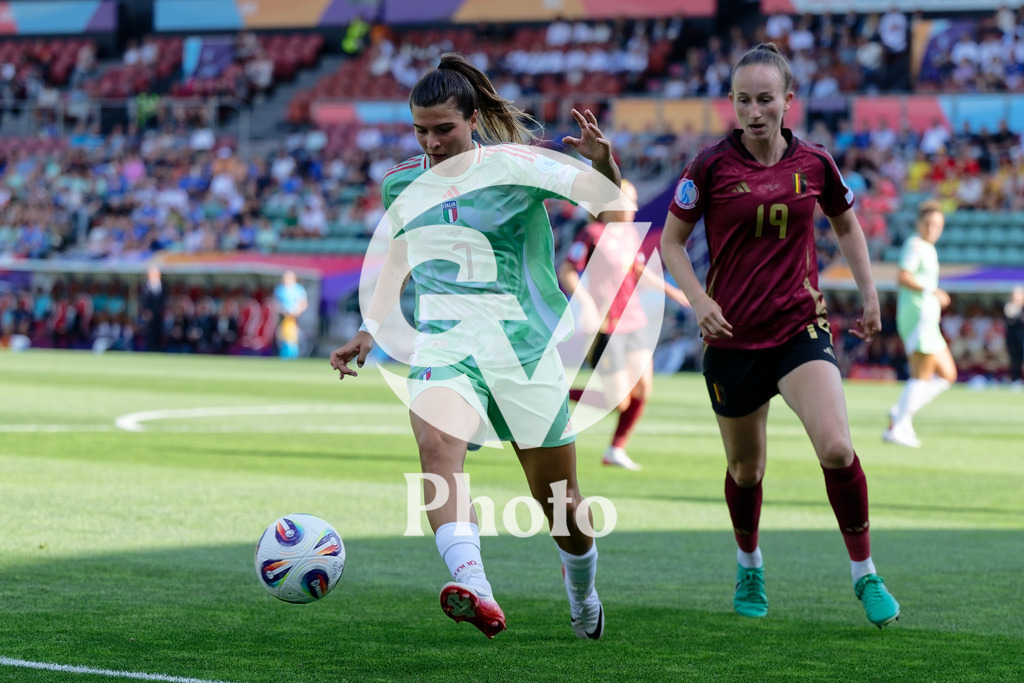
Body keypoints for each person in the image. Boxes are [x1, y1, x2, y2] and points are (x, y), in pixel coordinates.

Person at [329, 53, 622, 639]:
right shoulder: (400, 183)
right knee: (435, 444)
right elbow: (401, 255)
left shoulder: (517, 168)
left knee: (562, 509)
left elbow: (612, 208)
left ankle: (582, 585)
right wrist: (371, 327)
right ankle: (475, 587)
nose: (433, 142)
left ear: (472, 122)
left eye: (445, 129)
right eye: (421, 131)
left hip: (523, 349)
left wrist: (603, 164)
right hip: (444, 345)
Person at [659, 43, 900, 628]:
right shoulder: (710, 166)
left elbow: (846, 223)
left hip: (798, 328)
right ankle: (749, 563)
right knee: (748, 470)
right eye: (743, 100)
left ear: (788, 101)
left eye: (765, 99)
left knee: (837, 448)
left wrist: (868, 291)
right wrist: (700, 300)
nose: (754, 110)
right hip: (732, 339)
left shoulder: (815, 163)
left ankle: (864, 573)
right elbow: (670, 244)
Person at [557, 178, 689, 470]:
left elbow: (637, 269)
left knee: (642, 389)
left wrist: (673, 291)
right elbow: (567, 270)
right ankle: (558, 395)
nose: (635, 207)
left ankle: (616, 450)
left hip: (635, 322)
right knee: (618, 400)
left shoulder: (630, 234)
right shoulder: (592, 233)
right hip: (607, 325)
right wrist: (587, 302)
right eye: (629, 200)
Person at [885, 201, 957, 446]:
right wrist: (932, 290)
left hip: (928, 320)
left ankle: (901, 412)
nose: (933, 229)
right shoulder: (915, 245)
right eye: (929, 224)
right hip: (917, 317)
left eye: (937, 225)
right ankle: (897, 427)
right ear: (919, 223)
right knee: (921, 375)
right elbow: (903, 276)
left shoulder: (928, 248)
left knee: (948, 374)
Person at [274, 270, 308, 359]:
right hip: (283, 317)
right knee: (283, 337)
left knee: (293, 337)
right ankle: (283, 356)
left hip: (295, 318)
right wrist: (282, 311)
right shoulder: (280, 289)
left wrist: (296, 312)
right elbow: (276, 303)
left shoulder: (298, 289)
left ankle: (293, 356)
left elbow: (303, 303)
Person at [141, 265, 166, 353]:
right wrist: (147, 311)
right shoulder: (145, 285)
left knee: (159, 331)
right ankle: (149, 349)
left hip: (159, 313)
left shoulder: (163, 285)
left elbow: (164, 299)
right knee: (149, 332)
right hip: (150, 314)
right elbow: (144, 300)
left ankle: (158, 349)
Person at [1004, 285, 1024, 389]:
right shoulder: (1010, 306)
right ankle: (1016, 379)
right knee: (1015, 359)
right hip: (1013, 337)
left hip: (1022, 335)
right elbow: (1012, 320)